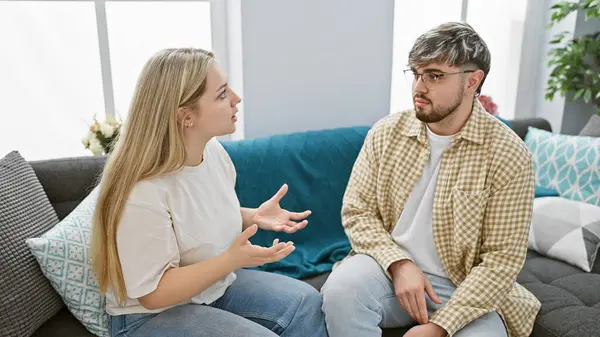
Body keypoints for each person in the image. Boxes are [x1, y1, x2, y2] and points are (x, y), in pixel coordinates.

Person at [321, 22, 540, 337]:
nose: (419, 88)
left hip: (464, 287)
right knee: (341, 291)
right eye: (416, 73)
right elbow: (358, 211)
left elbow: (501, 261)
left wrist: (440, 326)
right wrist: (399, 264)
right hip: (387, 270)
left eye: (435, 76)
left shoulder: (509, 155)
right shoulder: (386, 132)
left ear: (472, 81)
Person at [89, 48, 328, 337]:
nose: (236, 100)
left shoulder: (212, 153)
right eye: (222, 94)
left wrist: (252, 215)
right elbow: (153, 294)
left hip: (211, 287)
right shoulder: (142, 192)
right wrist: (231, 260)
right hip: (149, 316)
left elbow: (193, 218)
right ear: (186, 116)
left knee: (305, 302)